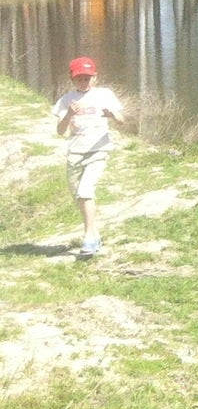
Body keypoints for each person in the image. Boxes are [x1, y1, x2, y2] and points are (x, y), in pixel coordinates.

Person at [53, 56, 126, 259]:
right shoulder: (67, 100)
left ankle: (89, 238)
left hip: (98, 150)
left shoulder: (105, 95)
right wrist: (68, 115)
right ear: (72, 79)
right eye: (79, 79)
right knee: (79, 197)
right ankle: (94, 232)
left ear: (95, 77)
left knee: (86, 192)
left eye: (87, 78)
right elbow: (60, 131)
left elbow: (122, 120)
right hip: (75, 154)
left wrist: (112, 115)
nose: (83, 82)